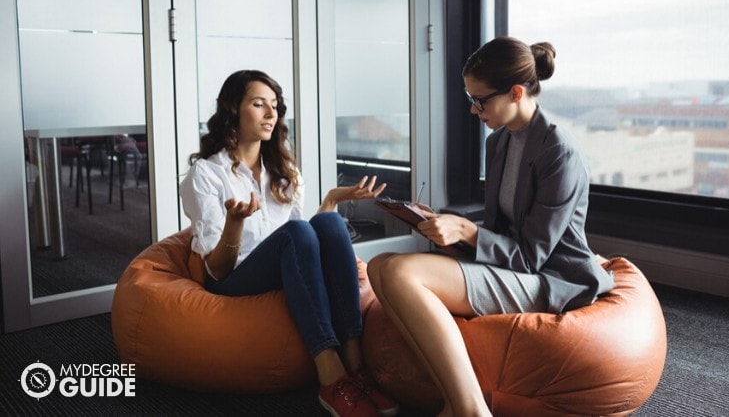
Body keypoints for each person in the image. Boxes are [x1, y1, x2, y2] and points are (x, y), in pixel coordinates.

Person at [367, 37, 616, 416]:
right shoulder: (499, 142)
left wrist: (468, 232)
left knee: (401, 271)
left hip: (549, 275)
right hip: (512, 266)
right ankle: (453, 398)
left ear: (515, 92)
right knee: (378, 266)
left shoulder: (558, 153)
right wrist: (443, 225)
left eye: (479, 100)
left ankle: (470, 409)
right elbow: (503, 224)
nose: (472, 109)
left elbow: (533, 256)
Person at [180, 70, 398, 417]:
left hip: (282, 265)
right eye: (258, 104)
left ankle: (357, 367)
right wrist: (234, 224)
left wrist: (330, 201)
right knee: (296, 234)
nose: (271, 114)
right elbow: (217, 269)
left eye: (275, 106)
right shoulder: (206, 175)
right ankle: (330, 374)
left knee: (326, 221)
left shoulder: (285, 172)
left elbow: (307, 247)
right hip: (233, 278)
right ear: (233, 109)